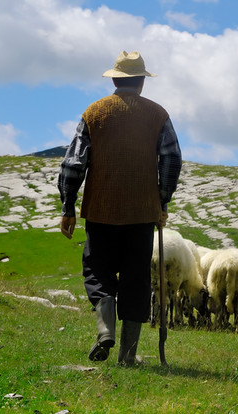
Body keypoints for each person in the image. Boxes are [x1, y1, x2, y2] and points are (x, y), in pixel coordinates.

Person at [57, 51, 182, 366]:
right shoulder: (157, 114)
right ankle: (128, 355)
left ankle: (105, 330)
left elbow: (73, 163)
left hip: (101, 210)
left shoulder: (94, 113)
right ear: (141, 82)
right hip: (141, 213)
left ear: (114, 79)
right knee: (136, 278)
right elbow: (171, 158)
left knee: (97, 272)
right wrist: (161, 200)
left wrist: (68, 207)